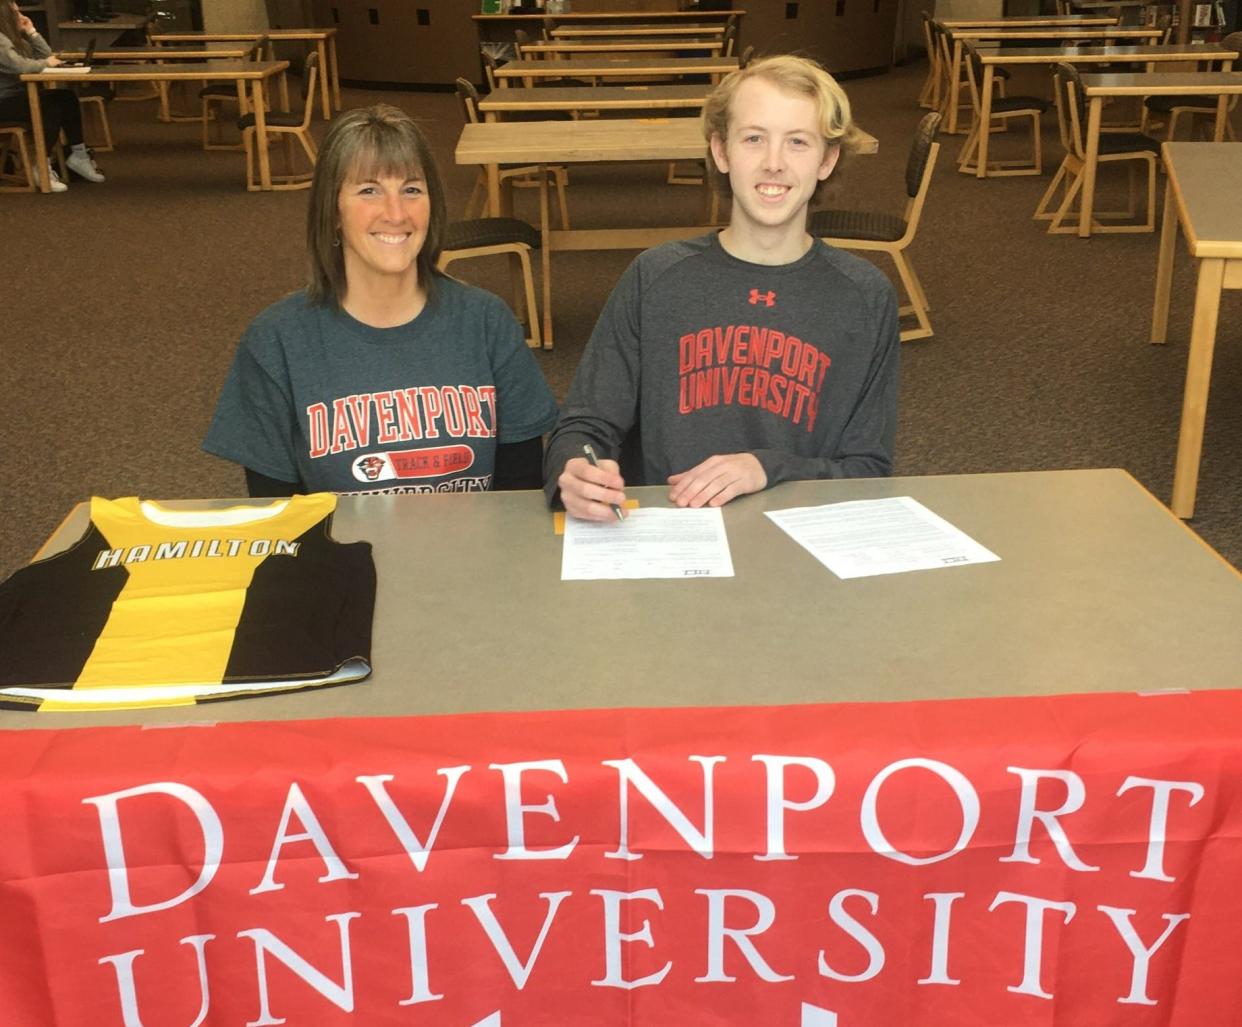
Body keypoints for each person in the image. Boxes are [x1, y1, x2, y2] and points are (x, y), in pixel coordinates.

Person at [544, 54, 900, 522]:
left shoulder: (865, 297)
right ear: (721, 151)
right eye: (754, 139)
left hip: (796, 546)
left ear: (827, 159)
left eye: (797, 142)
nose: (773, 164)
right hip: (672, 537)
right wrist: (573, 468)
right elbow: (584, 425)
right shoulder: (656, 278)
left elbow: (869, 469)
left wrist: (767, 467)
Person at [203, 104, 558, 497]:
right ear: (333, 210)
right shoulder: (276, 341)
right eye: (369, 190)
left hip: (473, 556)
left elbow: (520, 501)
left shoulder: (487, 322)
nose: (396, 213)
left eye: (411, 190)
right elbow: (277, 521)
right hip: (338, 560)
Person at [0, 1, 105, 192]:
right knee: (49, 106)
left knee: (66, 97)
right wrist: (45, 62)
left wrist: (31, 32)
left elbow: (47, 56)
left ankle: (78, 155)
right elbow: (21, 67)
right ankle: (42, 165)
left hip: (15, 97)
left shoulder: (13, 39)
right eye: (15, 12)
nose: (20, 15)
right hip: (3, 101)